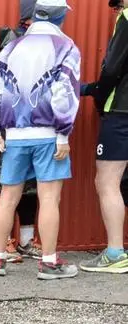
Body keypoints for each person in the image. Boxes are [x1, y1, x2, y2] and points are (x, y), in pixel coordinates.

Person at [0, 0, 80, 280]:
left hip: (14, 135)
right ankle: (49, 263)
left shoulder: (12, 47)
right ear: (60, 15)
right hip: (49, 135)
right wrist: (63, 134)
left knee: (8, 197)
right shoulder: (66, 47)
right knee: (49, 197)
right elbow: (66, 91)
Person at [0, 0, 44, 262]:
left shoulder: (46, 44)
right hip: (11, 124)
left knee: (31, 185)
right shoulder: (13, 42)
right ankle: (6, 243)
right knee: (10, 184)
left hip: (36, 124)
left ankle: (26, 241)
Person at [79, 0, 128, 274]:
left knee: (107, 181)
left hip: (121, 111)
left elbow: (112, 69)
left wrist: (96, 94)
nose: (117, 11)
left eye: (116, 5)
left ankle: (114, 254)